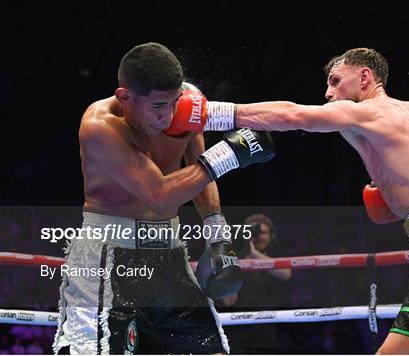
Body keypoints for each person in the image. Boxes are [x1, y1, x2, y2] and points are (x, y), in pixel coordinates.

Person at [175, 47, 409, 354]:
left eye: (335, 81)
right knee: (399, 350)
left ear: (365, 77)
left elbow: (292, 115)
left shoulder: (370, 112)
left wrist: (208, 113)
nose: (328, 93)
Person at [52, 42, 275, 354]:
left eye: (174, 102)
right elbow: (159, 194)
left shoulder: (188, 105)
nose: (169, 116)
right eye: (158, 107)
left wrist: (217, 234)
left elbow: (198, 170)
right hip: (109, 257)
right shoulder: (100, 125)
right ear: (124, 98)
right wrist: (230, 153)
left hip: (169, 255)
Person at [221, 214, 292, 354]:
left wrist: (255, 255)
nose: (258, 236)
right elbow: (229, 301)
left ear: (271, 236)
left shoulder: (277, 258)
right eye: (253, 232)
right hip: (237, 337)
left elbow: (286, 274)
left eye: (263, 232)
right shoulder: (234, 260)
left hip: (268, 336)